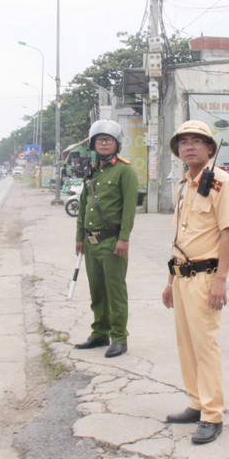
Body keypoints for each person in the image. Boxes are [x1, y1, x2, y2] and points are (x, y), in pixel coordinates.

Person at [162, 120, 229, 445]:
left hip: (205, 277)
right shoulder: (183, 185)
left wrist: (221, 279)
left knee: (205, 346)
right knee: (186, 344)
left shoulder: (222, 183)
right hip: (181, 276)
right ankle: (196, 402)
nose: (189, 146)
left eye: (197, 141)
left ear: (210, 148)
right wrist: (169, 281)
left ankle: (212, 414)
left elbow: (227, 232)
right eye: (183, 142)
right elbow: (179, 237)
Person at [74, 120, 138, 358]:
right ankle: (100, 333)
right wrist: (79, 236)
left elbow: (129, 209)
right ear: (93, 143)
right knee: (97, 291)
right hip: (91, 244)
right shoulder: (91, 171)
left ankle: (119, 337)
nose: (103, 143)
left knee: (115, 292)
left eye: (108, 139)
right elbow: (83, 206)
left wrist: (124, 239)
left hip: (112, 243)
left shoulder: (124, 170)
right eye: (99, 139)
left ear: (116, 144)